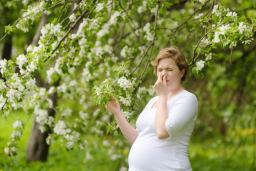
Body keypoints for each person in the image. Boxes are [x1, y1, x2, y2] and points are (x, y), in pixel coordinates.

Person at [105, 46, 198, 171]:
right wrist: (117, 112)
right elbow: (139, 138)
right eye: (160, 69)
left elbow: (162, 132)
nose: (163, 74)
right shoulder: (154, 100)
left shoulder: (187, 99)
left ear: (182, 72)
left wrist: (163, 95)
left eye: (169, 69)